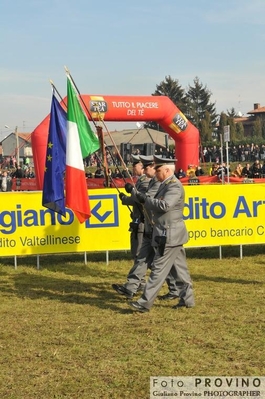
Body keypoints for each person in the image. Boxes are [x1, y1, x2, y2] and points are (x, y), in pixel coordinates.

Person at [128, 155, 195, 312]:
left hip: (169, 234)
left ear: (166, 170)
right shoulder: (166, 185)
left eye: (158, 169)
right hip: (168, 233)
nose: (155, 172)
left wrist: (143, 199)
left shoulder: (174, 186)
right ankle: (187, 300)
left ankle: (144, 303)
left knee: (158, 270)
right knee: (180, 270)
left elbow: (164, 205)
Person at [119, 154, 150, 259]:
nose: (133, 168)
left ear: (141, 166)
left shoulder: (145, 181)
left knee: (139, 252)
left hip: (142, 221)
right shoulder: (140, 181)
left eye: (135, 165)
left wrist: (124, 199)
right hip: (138, 219)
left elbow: (139, 199)